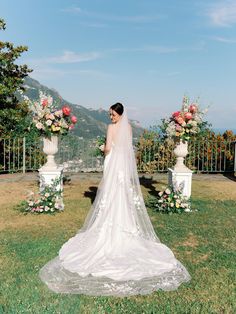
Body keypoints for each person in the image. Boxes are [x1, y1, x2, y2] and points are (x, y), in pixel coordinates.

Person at [39, 103, 190, 297]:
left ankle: (111, 226)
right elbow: (128, 150)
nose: (110, 117)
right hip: (122, 168)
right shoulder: (127, 127)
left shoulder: (111, 128)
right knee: (122, 195)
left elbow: (109, 148)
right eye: (110, 114)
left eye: (112, 114)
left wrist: (104, 149)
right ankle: (124, 225)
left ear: (118, 114)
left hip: (112, 164)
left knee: (111, 194)